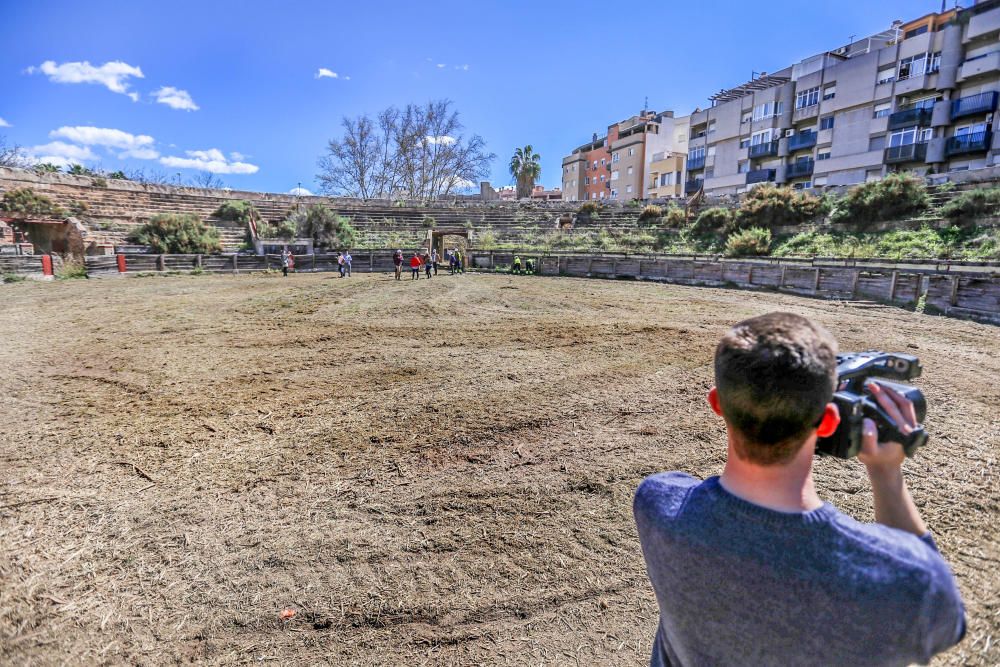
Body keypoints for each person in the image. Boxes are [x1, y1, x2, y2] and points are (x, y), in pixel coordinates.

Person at [633, 312, 965, 667]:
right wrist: (886, 473)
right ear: (828, 421)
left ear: (717, 404)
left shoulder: (656, 504)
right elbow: (949, 625)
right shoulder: (908, 581)